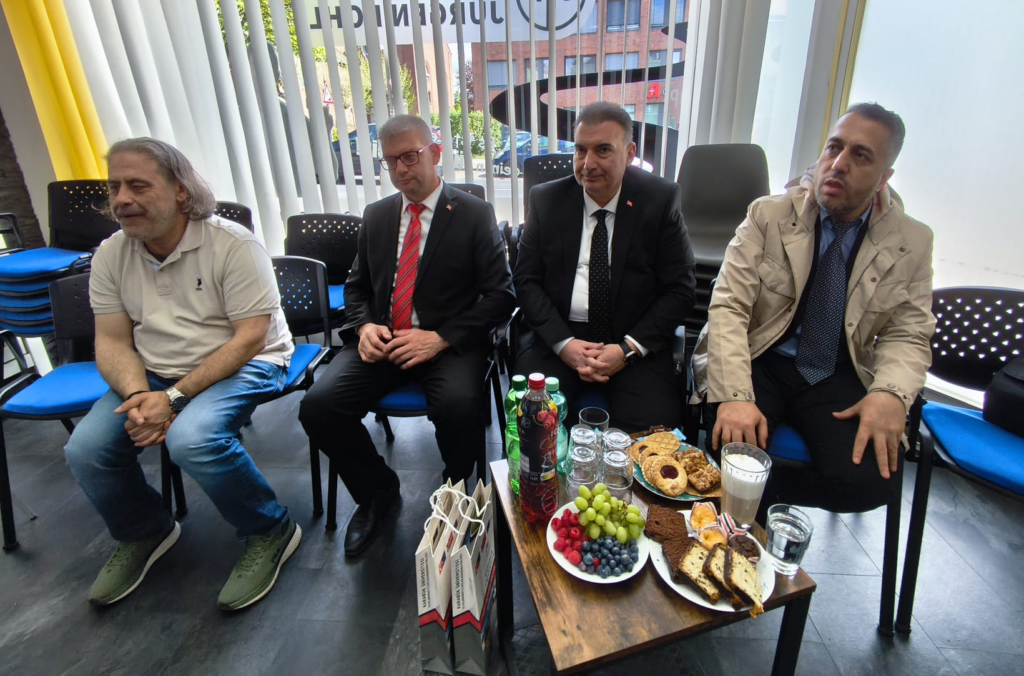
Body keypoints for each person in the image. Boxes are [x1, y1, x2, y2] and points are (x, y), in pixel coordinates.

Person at [64, 138, 300, 610]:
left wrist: (173, 398)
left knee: (192, 439)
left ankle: (270, 528)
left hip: (247, 363)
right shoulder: (111, 253)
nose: (122, 199)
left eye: (138, 186)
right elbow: (112, 341)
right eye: (115, 187)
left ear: (181, 190)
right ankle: (145, 530)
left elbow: (250, 338)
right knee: (85, 450)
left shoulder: (232, 244)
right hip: (154, 371)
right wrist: (140, 396)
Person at [692, 102, 936, 514]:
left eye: (861, 156)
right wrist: (734, 395)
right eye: (833, 148)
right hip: (760, 355)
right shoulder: (768, 215)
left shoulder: (912, 241)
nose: (838, 164)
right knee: (733, 449)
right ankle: (744, 509)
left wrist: (890, 394)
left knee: (872, 482)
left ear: (884, 177)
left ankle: (762, 502)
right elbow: (729, 306)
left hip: (837, 368)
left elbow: (908, 332)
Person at [298, 115, 514, 557]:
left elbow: (501, 296)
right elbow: (357, 286)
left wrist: (440, 338)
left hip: (447, 343)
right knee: (318, 407)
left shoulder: (474, 214)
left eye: (410, 157)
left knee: (458, 406)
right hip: (386, 337)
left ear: (435, 153)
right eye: (390, 160)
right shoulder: (378, 215)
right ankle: (377, 491)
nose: (400, 169)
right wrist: (364, 325)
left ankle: (455, 498)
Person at [513, 101, 696, 430]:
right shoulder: (546, 200)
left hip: (631, 339)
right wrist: (564, 344)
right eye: (580, 150)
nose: (588, 164)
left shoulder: (659, 199)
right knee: (533, 424)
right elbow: (526, 281)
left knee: (652, 434)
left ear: (630, 153)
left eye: (603, 150)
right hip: (562, 336)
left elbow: (680, 291)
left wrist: (627, 350)